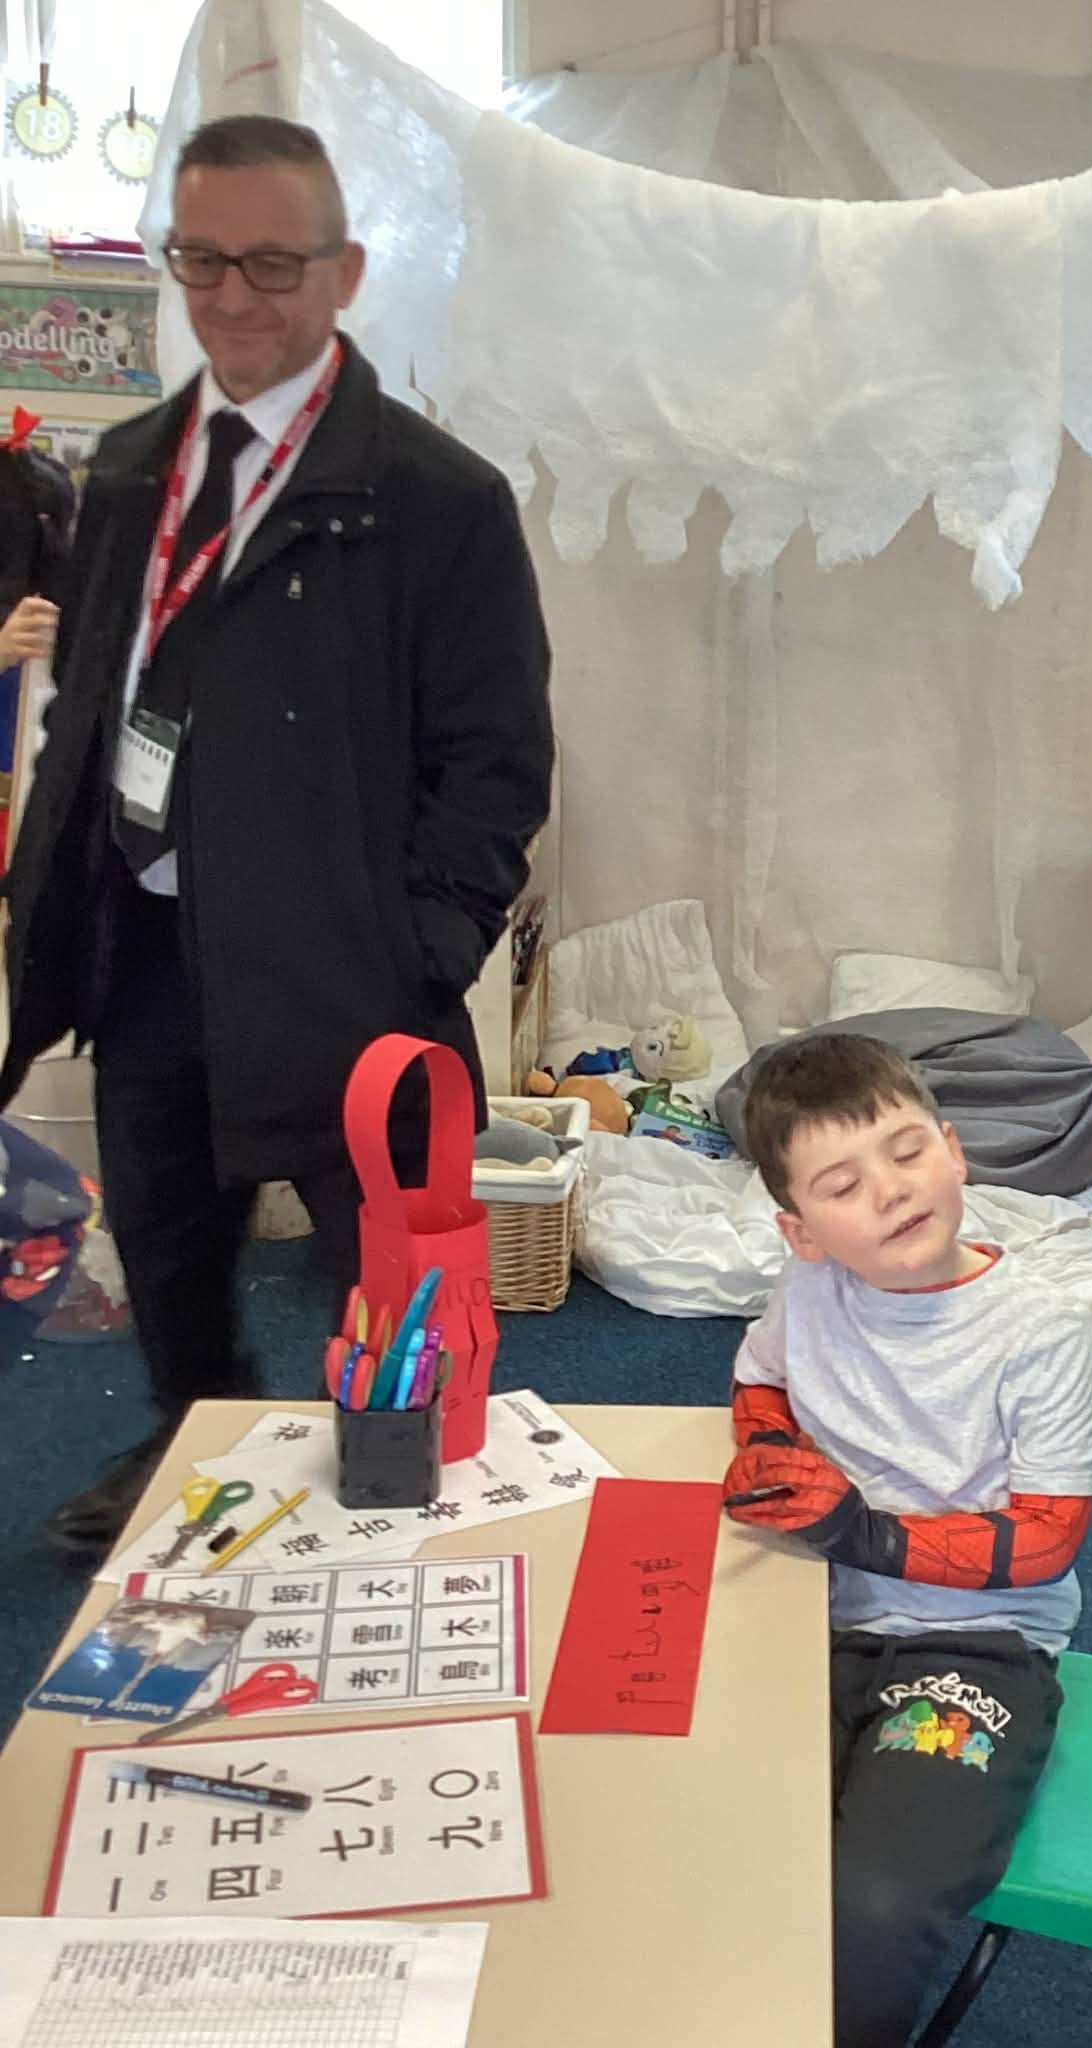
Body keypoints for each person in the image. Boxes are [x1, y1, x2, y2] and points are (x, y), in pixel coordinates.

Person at [0, 114, 553, 1559]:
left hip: (344, 974)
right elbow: (91, 700)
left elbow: (497, 767)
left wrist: (417, 955)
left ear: (344, 270)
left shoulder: (437, 500)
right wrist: (53, 890)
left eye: (270, 264)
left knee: (393, 1277)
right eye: (202, 260)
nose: (232, 297)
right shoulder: (131, 468)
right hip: (147, 938)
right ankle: (188, 1444)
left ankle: (410, 1489)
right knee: (169, 1237)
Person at [720, 1032, 1092, 2048]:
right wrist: (771, 1454)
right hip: (808, 1618)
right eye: (843, 1184)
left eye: (906, 1151)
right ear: (801, 1231)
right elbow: (760, 1379)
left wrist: (860, 1531)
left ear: (954, 1150)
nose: (890, 1190)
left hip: (978, 1650)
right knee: (715, 1835)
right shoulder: (806, 1293)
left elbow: (1049, 1539)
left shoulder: (1041, 1328)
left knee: (874, 1906)